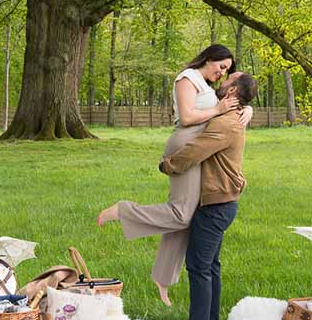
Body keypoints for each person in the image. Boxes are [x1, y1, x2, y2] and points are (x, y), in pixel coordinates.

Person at [96, 44, 252, 306]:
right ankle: (124, 211)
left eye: (228, 71)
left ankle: (164, 276)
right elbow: (189, 116)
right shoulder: (187, 78)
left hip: (200, 148)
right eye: (221, 66)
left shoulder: (207, 85)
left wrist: (247, 109)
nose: (223, 73)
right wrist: (219, 110)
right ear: (210, 58)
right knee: (181, 213)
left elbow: (230, 101)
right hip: (186, 146)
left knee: (187, 216)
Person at [161, 72, 258, 320]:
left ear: (234, 91)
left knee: (199, 267)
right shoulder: (231, 116)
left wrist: (167, 165)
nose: (222, 80)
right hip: (220, 202)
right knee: (210, 266)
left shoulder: (227, 123)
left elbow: (195, 152)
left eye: (229, 79)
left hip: (216, 206)